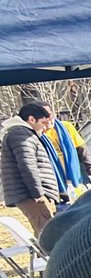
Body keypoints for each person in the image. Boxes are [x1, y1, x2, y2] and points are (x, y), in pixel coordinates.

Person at [0, 101, 63, 236]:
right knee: (49, 234)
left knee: (46, 232)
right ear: (31, 119)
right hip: (31, 195)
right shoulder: (21, 135)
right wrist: (38, 194)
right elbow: (27, 166)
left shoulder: (22, 133)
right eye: (43, 122)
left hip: (31, 194)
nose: (45, 128)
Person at [42, 108, 91, 199]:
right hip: (55, 177)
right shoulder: (37, 135)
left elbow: (82, 150)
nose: (48, 120)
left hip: (75, 174)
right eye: (44, 117)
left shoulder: (66, 127)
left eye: (50, 116)